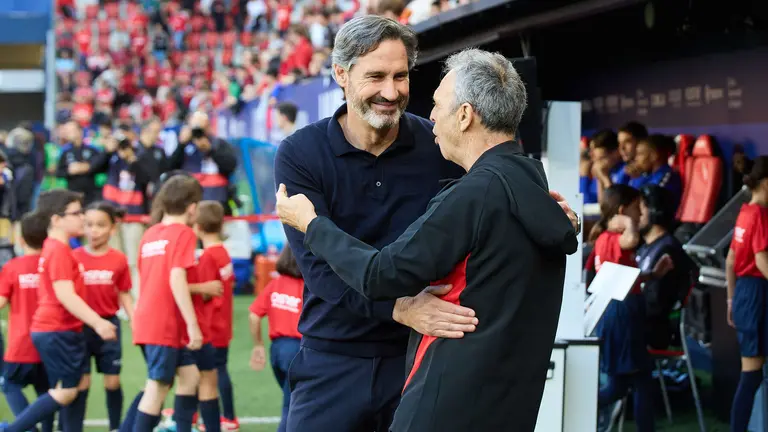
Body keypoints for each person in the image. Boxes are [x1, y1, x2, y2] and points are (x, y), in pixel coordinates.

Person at [274, 17, 579, 432]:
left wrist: (544, 211)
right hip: (335, 358)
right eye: (376, 76)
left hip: (422, 356)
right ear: (341, 75)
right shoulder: (300, 153)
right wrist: (403, 309)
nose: (392, 91)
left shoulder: (440, 143)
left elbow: (492, 198)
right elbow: (320, 270)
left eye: (401, 76)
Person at [0, 190, 118, 432]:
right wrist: (98, 322)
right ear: (56, 219)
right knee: (66, 391)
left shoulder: (55, 247)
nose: (82, 218)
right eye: (76, 213)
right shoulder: (58, 250)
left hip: (59, 330)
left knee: (73, 387)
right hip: (57, 330)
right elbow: (64, 293)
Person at [119, 175, 203, 432]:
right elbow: (175, 276)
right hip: (163, 323)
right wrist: (193, 324)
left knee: (190, 377)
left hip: (150, 319)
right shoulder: (184, 233)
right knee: (157, 387)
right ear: (191, 207)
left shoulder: (150, 233)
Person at [588, 184, 658, 432]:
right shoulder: (614, 238)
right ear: (621, 211)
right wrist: (627, 224)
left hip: (614, 314)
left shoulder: (602, 240)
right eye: (636, 208)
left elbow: (620, 276)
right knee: (637, 382)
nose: (640, 214)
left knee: (629, 382)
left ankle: (578, 410)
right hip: (623, 315)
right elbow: (632, 239)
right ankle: (577, 408)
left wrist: (650, 275)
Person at [72, 202, 135, 431]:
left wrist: (135, 321)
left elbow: (125, 294)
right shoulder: (73, 257)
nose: (94, 230)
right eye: (88, 224)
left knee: (112, 381)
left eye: (100, 225)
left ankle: (116, 426)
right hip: (79, 327)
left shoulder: (118, 259)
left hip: (109, 326)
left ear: (112, 229)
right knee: (82, 383)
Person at [0, 212, 55, 432]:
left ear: (21, 240)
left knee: (9, 384)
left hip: (21, 344)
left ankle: (26, 429)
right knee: (48, 392)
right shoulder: (53, 264)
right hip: (50, 342)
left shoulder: (13, 267)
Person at [726, 156, 768, 432]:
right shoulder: (761, 214)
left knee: (751, 375)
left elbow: (730, 259)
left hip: (743, 292)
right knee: (751, 376)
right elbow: (762, 258)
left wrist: (731, 299)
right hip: (757, 293)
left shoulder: (745, 212)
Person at [192, 201, 239, 431]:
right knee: (218, 368)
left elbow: (206, 292)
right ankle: (226, 416)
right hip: (223, 322)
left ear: (197, 226)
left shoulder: (209, 257)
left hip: (210, 324)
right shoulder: (222, 252)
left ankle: (226, 417)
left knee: (211, 371)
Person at [636, 185, 698, 349]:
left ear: (655, 211)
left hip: (655, 328)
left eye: (640, 209)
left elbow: (657, 303)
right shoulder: (645, 247)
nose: (635, 215)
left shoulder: (668, 250)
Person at [249, 246, 303, 432]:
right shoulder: (309, 288)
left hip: (277, 350)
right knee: (293, 405)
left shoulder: (275, 284)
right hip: (298, 351)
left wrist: (258, 345)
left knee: (292, 398)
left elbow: (254, 315)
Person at [170, 111, 238, 215]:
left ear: (208, 126)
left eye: (201, 127)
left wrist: (211, 150)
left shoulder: (218, 144)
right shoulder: (184, 145)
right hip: (190, 203)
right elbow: (171, 167)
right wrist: (181, 145)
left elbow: (231, 166)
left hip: (216, 202)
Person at [629, 134, 683, 211]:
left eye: (640, 154)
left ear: (654, 156)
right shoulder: (646, 176)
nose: (636, 159)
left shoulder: (668, 176)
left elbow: (648, 201)